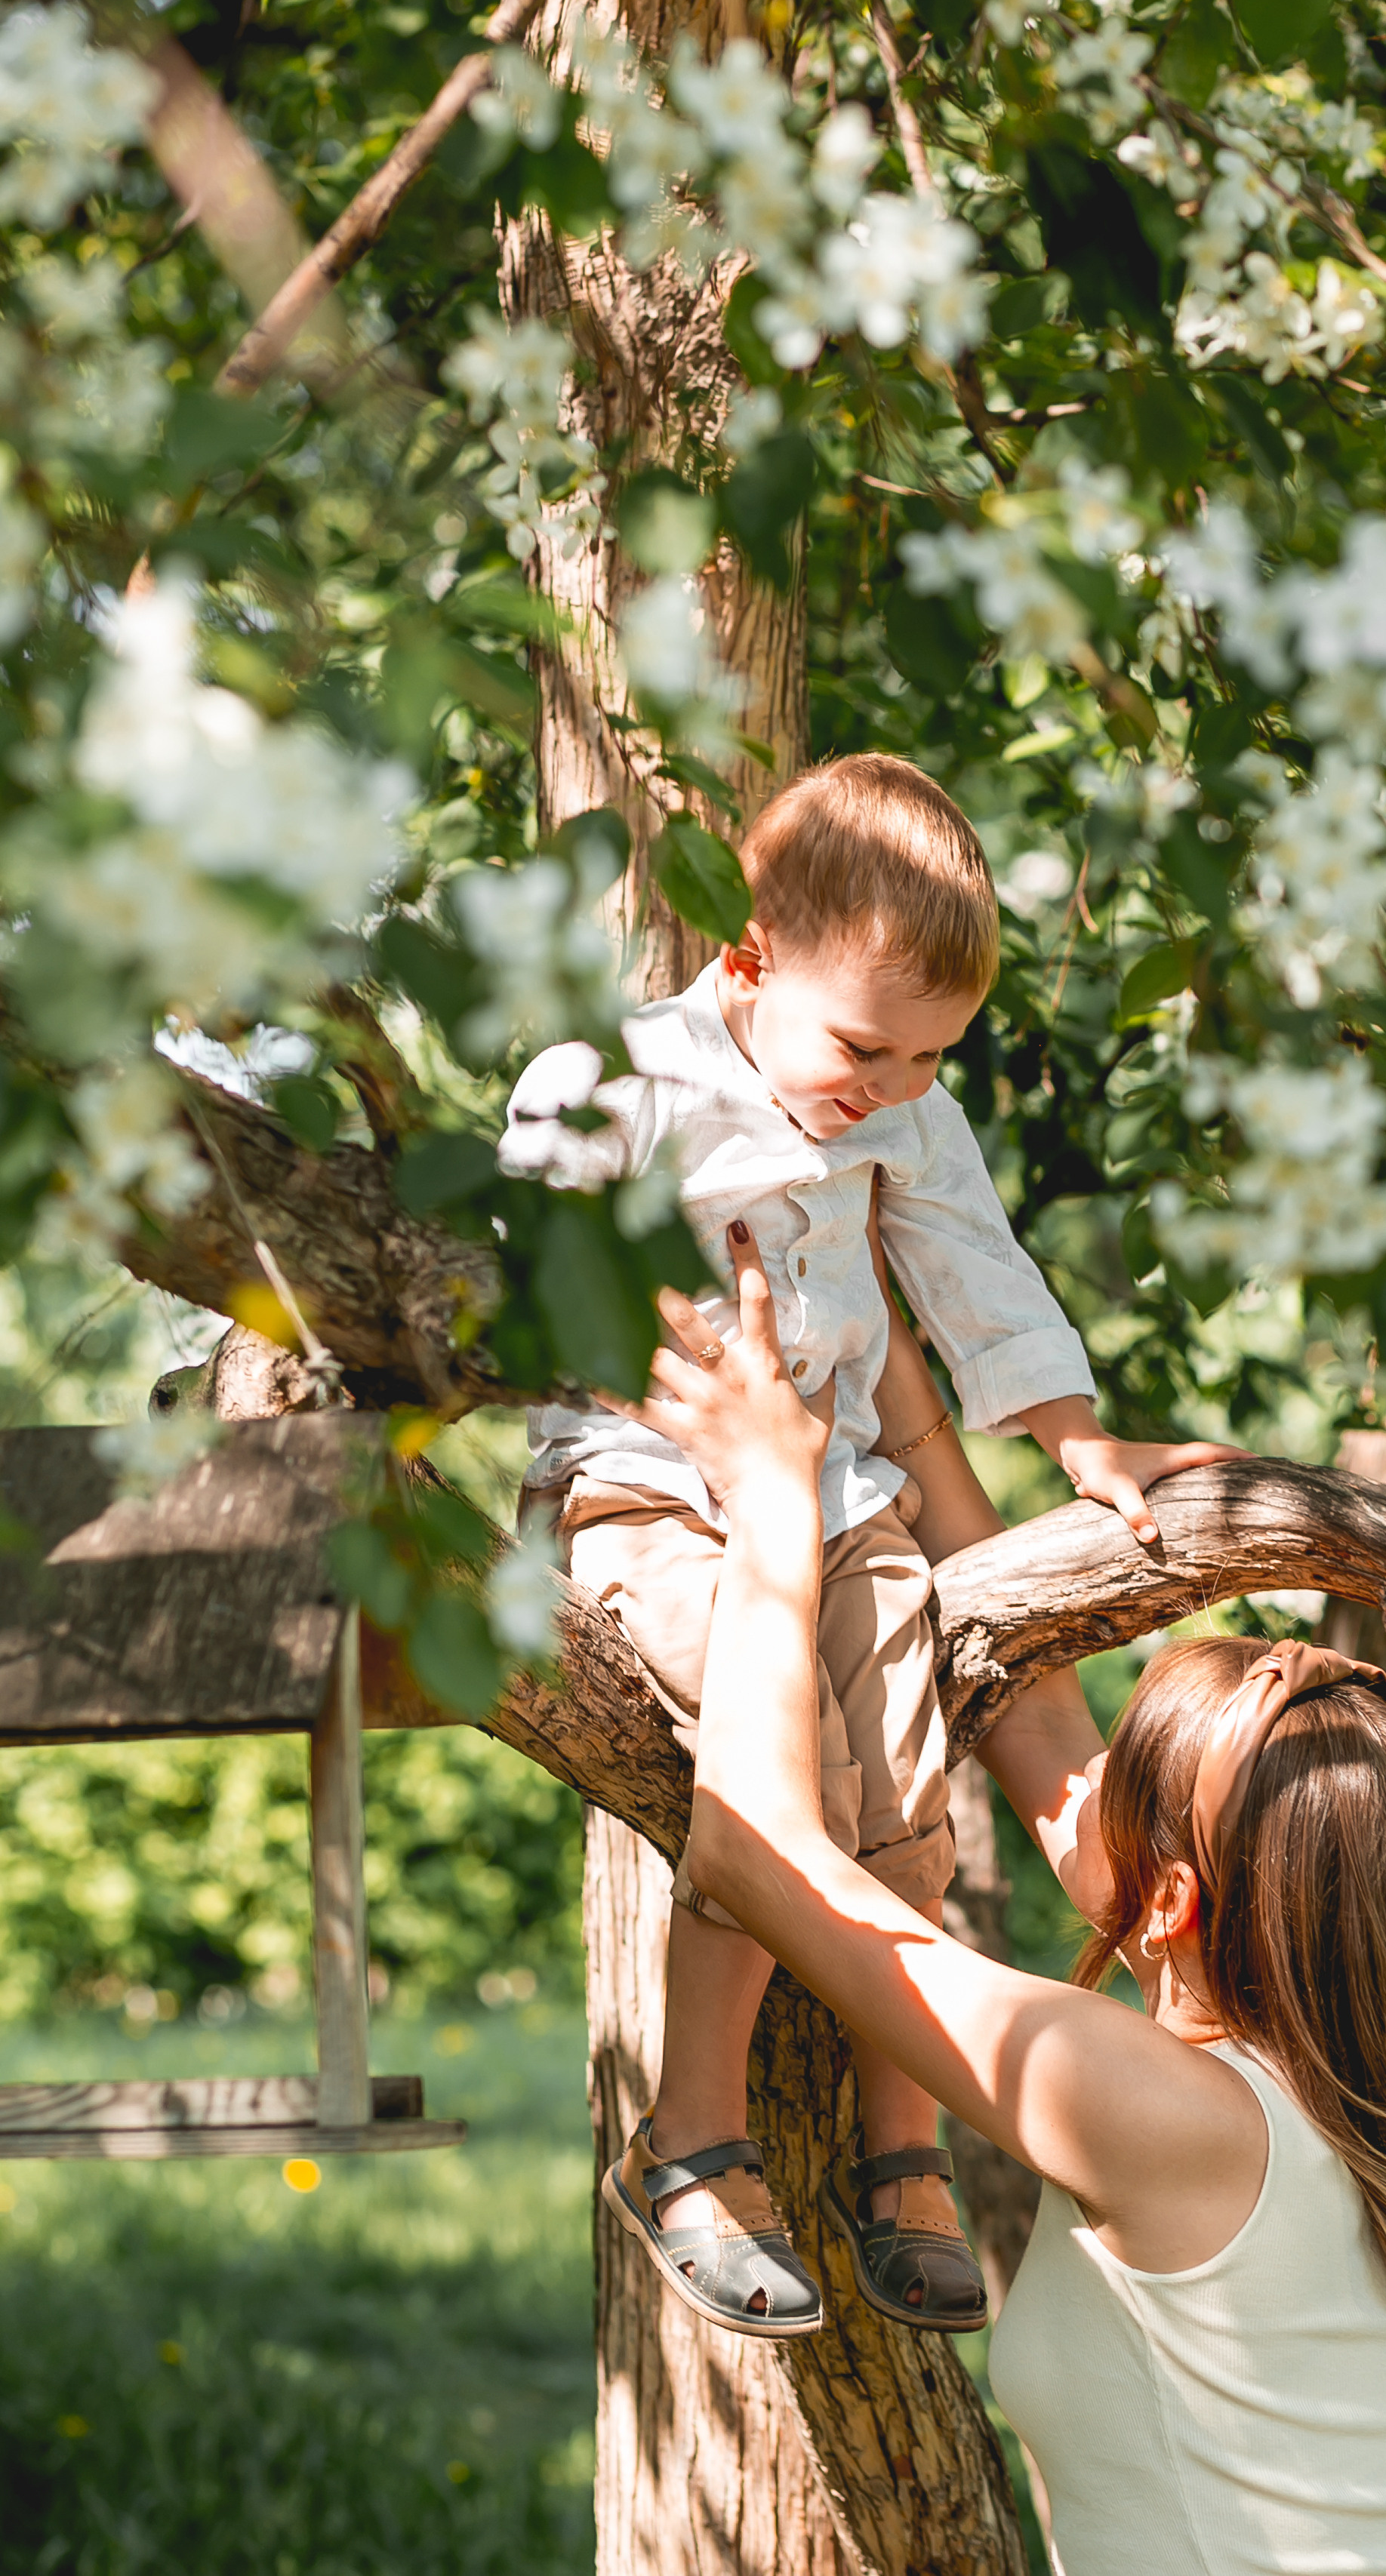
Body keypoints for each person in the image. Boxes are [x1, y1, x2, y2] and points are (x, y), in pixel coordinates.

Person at [626, 1223, 1386, 2576]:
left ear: (1165, 1897)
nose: (1088, 1782)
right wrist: (882, 1357)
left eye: (1135, 1791)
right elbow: (1038, 1722)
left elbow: (759, 1853)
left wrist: (771, 1503)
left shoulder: (1156, 2106)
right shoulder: (1370, 2098)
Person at [500, 753, 1220, 2339]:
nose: (890, 1085)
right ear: (748, 955)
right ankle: (689, 2133)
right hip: (653, 1484)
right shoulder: (612, 1081)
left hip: (842, 1497)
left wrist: (1078, 1437)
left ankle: (906, 2145)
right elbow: (511, 1287)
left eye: (931, 1058)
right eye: (865, 1047)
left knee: (905, 1804)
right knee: (791, 1774)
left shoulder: (903, 1098)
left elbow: (975, 1263)